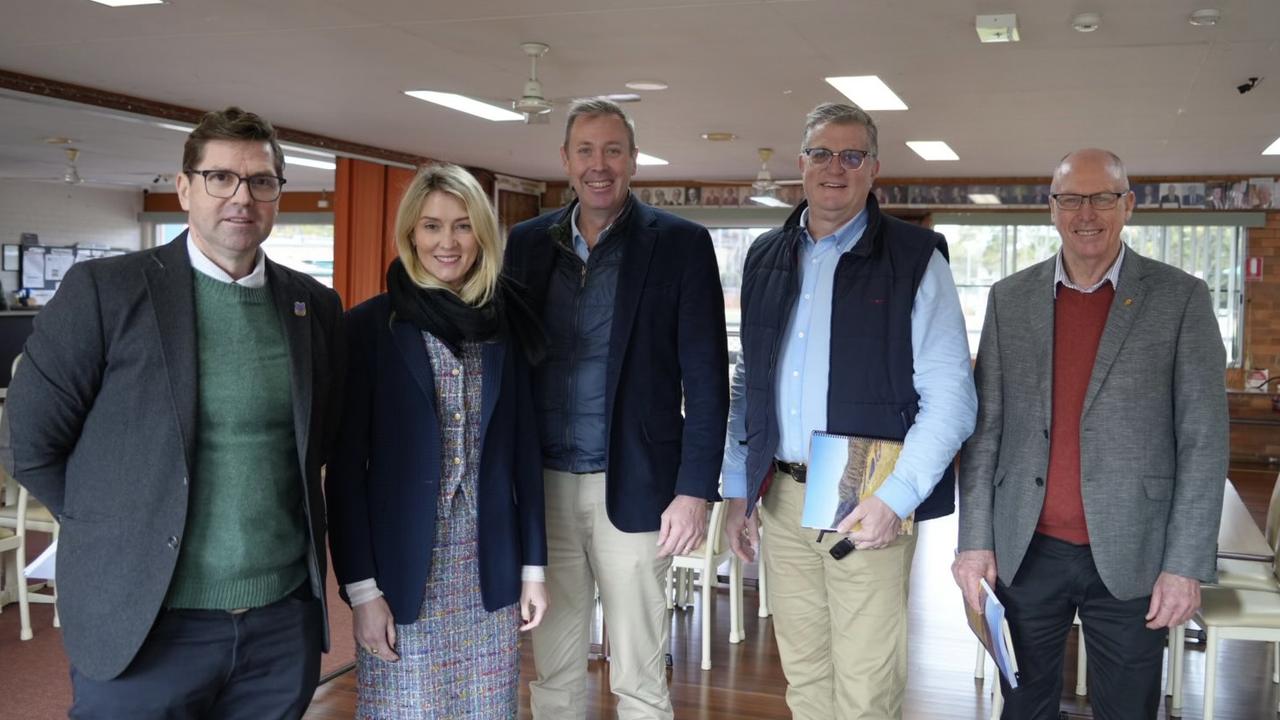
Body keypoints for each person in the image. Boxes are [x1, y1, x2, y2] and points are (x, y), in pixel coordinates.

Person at [1, 107, 344, 718]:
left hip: (277, 627)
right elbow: (29, 443)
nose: (241, 197)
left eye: (261, 181)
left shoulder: (312, 305)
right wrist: (114, 526)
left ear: (277, 194)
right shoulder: (105, 292)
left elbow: (322, 447)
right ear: (184, 187)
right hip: (145, 627)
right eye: (220, 178)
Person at [952, 149, 1228, 719]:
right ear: (1052, 209)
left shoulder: (1180, 298)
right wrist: (974, 541)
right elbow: (985, 432)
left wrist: (1185, 564)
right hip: (1025, 551)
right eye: (1070, 198)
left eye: (1102, 196)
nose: (1087, 212)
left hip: (1135, 554)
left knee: (1127, 710)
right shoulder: (1011, 298)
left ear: (1127, 205)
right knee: (1024, 704)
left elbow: (1204, 440)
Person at [722, 102, 977, 719]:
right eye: (821, 153)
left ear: (873, 169)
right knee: (805, 681)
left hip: (868, 503)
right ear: (800, 163)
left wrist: (897, 498)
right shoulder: (765, 256)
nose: (835, 167)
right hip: (780, 500)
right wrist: (737, 488)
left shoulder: (917, 260)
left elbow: (953, 400)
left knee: (866, 689)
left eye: (851, 155)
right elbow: (749, 382)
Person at [504, 97, 729, 720]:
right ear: (565, 160)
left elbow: (708, 381)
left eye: (612, 150)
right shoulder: (526, 244)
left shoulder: (680, 245)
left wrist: (694, 491)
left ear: (633, 159)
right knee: (553, 663)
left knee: (639, 670)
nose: (598, 165)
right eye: (585, 150)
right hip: (544, 488)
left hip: (636, 488)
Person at [327, 163, 548, 719]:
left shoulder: (505, 328)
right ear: (410, 234)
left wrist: (533, 570)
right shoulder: (368, 330)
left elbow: (525, 458)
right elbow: (347, 476)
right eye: (431, 226)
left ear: (482, 236)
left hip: (488, 572)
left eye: (462, 226)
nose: (446, 242)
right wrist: (361, 592)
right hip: (401, 577)